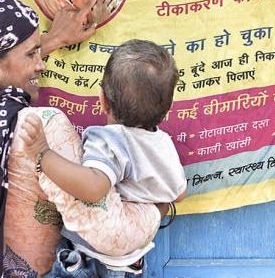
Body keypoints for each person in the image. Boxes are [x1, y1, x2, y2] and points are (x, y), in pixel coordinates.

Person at [0, 0, 162, 278]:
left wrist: (53, 40)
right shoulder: (41, 127)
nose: (42, 65)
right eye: (31, 54)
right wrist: (157, 207)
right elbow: (108, 233)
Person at [20, 40, 187, 278]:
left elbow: (94, 188)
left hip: (92, 264)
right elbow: (179, 193)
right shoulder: (164, 143)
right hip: (132, 265)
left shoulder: (109, 140)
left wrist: (43, 153)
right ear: (169, 107)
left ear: (103, 100)